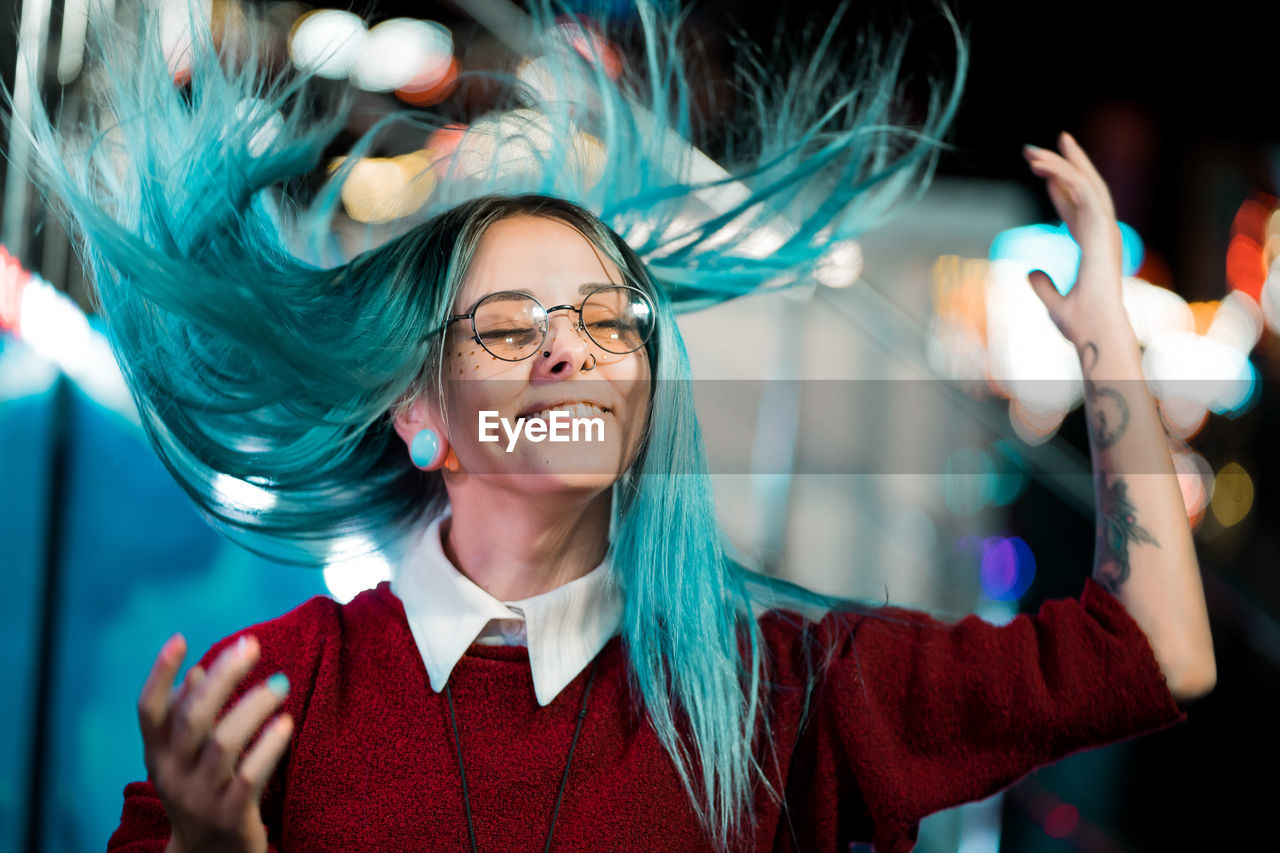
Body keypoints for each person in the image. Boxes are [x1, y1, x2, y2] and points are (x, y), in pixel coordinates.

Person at [16, 2, 1213, 851]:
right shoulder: (281, 694)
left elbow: (1156, 656)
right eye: (508, 326)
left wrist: (1104, 341)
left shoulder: (777, 694)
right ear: (418, 415)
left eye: (608, 319)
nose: (569, 347)